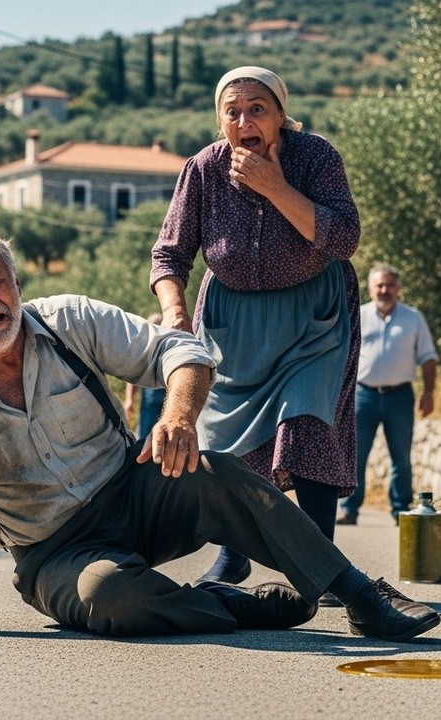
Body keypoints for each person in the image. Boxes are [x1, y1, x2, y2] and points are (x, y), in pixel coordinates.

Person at [0, 228, 438, 644]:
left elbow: (181, 353)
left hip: (135, 493)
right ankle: (223, 605)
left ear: (17, 284)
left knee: (220, 472)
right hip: (54, 553)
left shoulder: (69, 322)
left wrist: (177, 416)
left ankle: (360, 596)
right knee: (115, 598)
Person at [150, 66, 362, 585]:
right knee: (226, 441)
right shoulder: (203, 168)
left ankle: (320, 564)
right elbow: (169, 255)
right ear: (220, 120)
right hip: (233, 323)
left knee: (308, 422)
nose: (244, 121)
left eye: (257, 109)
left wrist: (276, 187)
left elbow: (344, 238)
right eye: (233, 112)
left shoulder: (316, 157)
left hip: (313, 318)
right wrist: (175, 313)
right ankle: (234, 553)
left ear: (280, 115)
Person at [338, 265, 439, 525]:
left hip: (400, 397)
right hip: (363, 396)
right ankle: (349, 509)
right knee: (355, 455)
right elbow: (342, 355)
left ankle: (400, 510)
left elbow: (428, 358)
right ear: (370, 288)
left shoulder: (413, 318)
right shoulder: (357, 315)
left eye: (389, 285)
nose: (384, 290)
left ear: (398, 288)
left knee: (401, 458)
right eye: (379, 285)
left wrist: (429, 392)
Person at [123, 313, 167, 439]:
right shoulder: (143, 351)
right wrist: (129, 400)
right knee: (145, 435)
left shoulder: (170, 349)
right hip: (149, 405)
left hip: (168, 402)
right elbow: (132, 377)